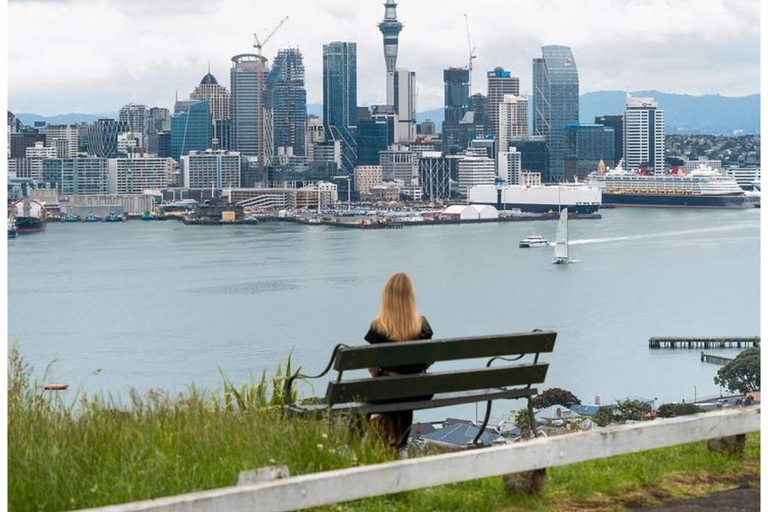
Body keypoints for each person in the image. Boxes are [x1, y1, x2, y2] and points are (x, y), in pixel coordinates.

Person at [364, 272, 433, 459]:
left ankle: (356, 441)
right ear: (411, 296)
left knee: (365, 394)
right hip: (421, 390)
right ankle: (402, 446)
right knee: (405, 390)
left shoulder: (378, 326)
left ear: (386, 296)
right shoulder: (422, 325)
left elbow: (371, 366)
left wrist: (384, 376)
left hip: (389, 389)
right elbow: (429, 358)